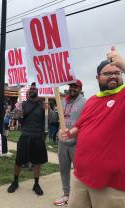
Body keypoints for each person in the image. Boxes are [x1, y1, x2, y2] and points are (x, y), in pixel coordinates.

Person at [60, 47, 125, 208]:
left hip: (111, 184)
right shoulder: (92, 100)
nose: (113, 76)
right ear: (97, 78)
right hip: (80, 177)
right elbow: (80, 127)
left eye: (117, 73)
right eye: (107, 73)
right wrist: (69, 133)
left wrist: (123, 64)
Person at [7, 82, 48, 195]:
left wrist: (47, 111)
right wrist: (18, 113)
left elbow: (47, 121)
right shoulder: (23, 104)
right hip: (25, 136)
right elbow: (18, 120)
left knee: (37, 162)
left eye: (34, 89)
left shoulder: (43, 104)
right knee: (18, 161)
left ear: (38, 91)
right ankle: (15, 182)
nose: (32, 90)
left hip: (38, 137)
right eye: (31, 89)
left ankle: (36, 184)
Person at [53, 79, 86, 206]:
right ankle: (66, 194)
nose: (72, 88)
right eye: (71, 86)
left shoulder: (85, 102)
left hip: (78, 143)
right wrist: (58, 134)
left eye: (75, 87)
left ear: (80, 88)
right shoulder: (61, 101)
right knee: (63, 169)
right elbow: (58, 121)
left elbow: (87, 122)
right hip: (63, 142)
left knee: (80, 171)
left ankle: (81, 196)